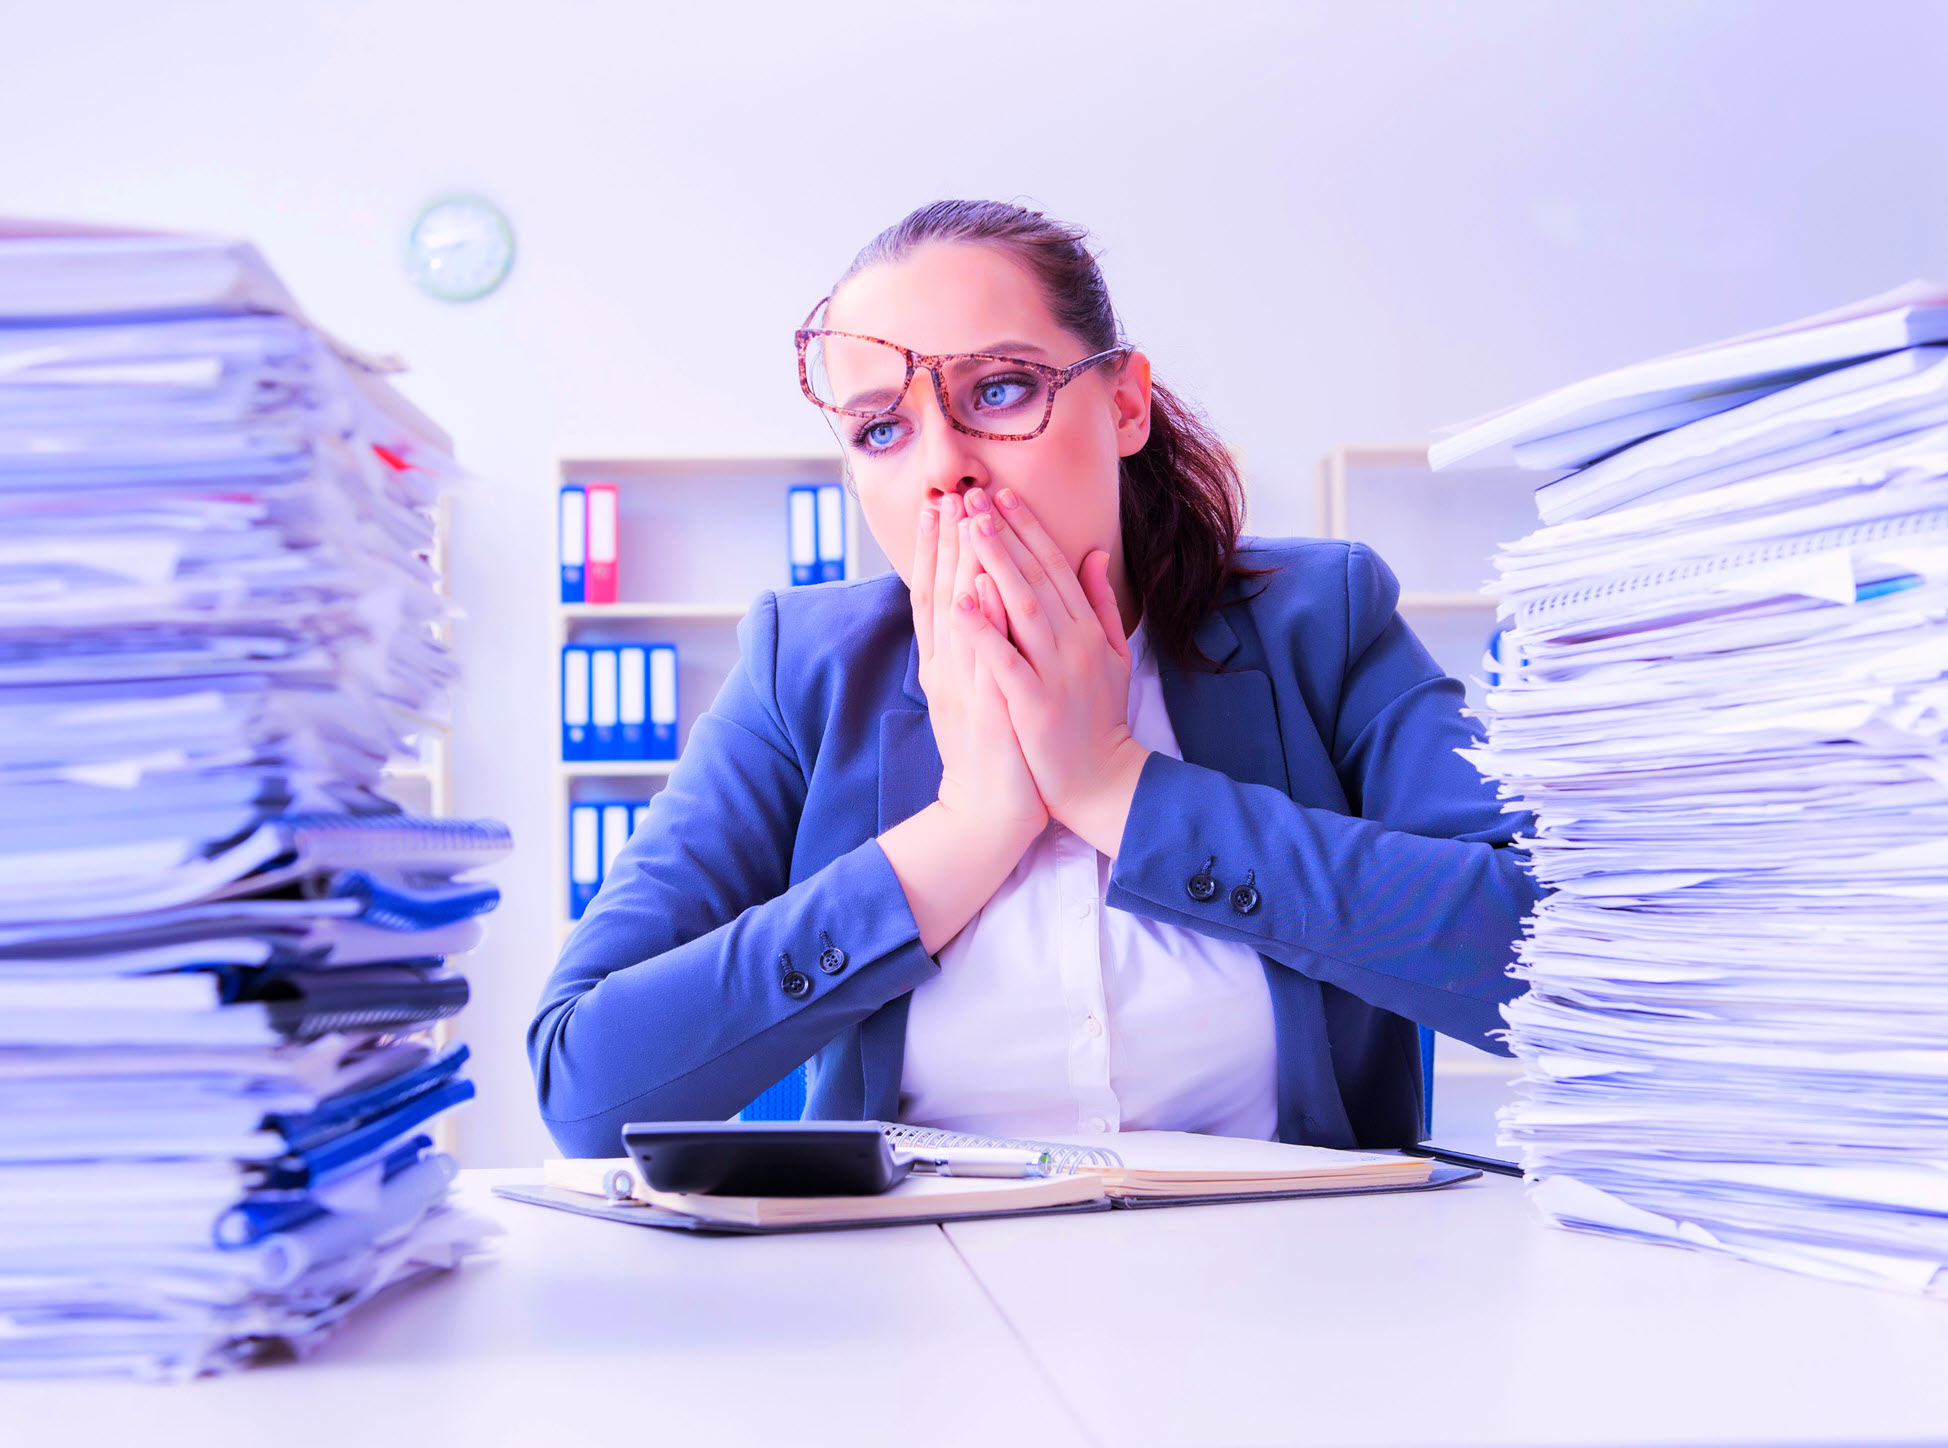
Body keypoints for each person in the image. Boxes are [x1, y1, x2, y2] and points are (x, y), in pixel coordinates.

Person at [528, 200, 1541, 1159]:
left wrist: (1118, 785)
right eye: (881, 428)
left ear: (1126, 403)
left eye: (999, 390)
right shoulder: (805, 671)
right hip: (918, 1294)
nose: (944, 467)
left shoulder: (1320, 620)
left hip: (1297, 1289)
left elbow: (1551, 962)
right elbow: (584, 1088)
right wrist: (964, 829)